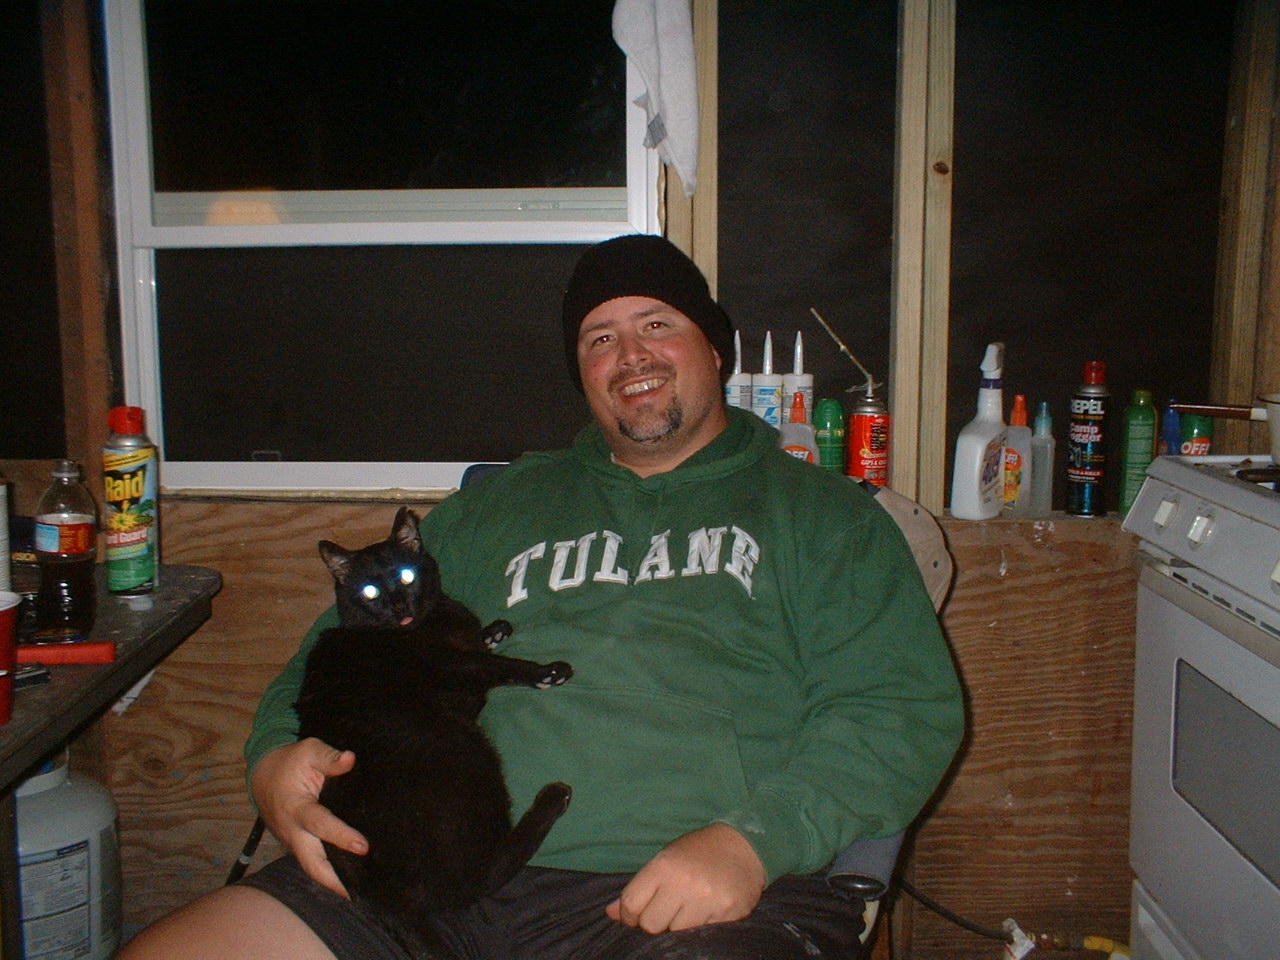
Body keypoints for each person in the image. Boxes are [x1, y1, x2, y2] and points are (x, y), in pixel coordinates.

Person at [121, 234, 964, 960]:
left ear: (714, 347)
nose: (630, 356)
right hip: (430, 877)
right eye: (601, 338)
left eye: (657, 325)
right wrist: (273, 762)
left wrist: (753, 844)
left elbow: (901, 709)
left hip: (690, 896)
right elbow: (331, 654)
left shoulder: (823, 517)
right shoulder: (496, 509)